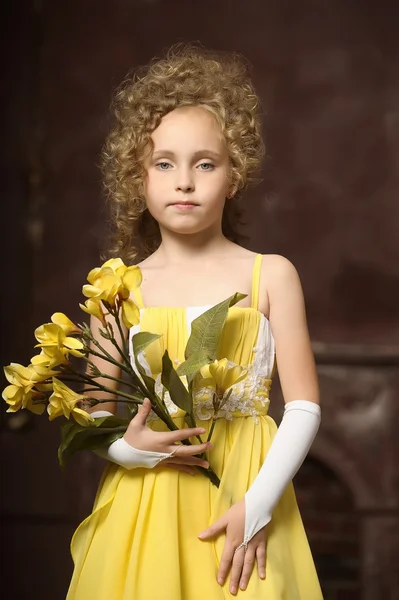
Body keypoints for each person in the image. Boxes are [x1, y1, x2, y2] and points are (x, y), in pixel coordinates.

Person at [67, 44, 323, 599]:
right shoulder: (116, 287)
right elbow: (93, 413)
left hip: (248, 494)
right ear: (139, 180)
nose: (184, 181)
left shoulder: (270, 276)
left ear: (234, 176)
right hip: (149, 500)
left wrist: (257, 505)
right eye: (164, 163)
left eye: (205, 163)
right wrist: (126, 451)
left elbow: (302, 406)